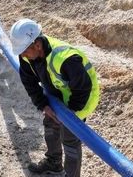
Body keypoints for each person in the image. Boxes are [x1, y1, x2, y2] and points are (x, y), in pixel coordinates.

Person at [9, 18, 100, 176]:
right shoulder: (27, 55)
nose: (22, 55)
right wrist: (43, 104)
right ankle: (54, 163)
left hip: (81, 99)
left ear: (37, 45)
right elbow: (29, 81)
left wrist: (69, 114)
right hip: (57, 95)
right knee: (50, 123)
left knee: (70, 137)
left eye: (24, 51)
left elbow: (82, 89)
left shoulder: (66, 59)